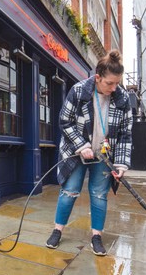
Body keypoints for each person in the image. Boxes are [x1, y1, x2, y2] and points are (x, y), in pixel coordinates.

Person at [46, 50, 133, 256]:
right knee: (70, 191)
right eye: (109, 83)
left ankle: (96, 236)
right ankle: (58, 230)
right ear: (98, 78)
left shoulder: (123, 100)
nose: (114, 88)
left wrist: (121, 165)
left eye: (117, 83)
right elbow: (64, 121)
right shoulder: (78, 91)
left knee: (99, 194)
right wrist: (82, 145)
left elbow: (125, 134)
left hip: (104, 154)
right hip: (77, 152)